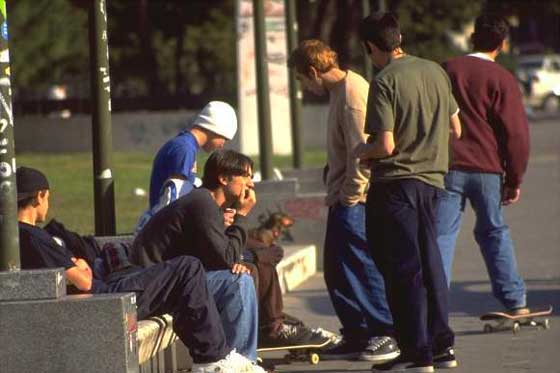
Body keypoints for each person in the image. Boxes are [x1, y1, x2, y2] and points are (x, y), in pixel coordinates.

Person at [15, 166, 265, 373]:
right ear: (40, 196)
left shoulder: (25, 236)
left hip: (103, 290)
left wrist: (79, 266)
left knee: (187, 274)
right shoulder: (33, 236)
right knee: (188, 268)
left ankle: (215, 356)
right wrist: (81, 266)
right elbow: (83, 281)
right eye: (47, 198)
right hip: (105, 296)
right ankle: (212, 360)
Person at [355, 13, 461, 372]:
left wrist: (361, 152)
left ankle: (417, 352)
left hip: (396, 187)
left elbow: (385, 145)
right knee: (431, 265)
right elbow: (455, 127)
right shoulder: (435, 71)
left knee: (403, 270)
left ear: (371, 47)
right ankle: (442, 345)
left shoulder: (383, 81)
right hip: (433, 183)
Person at [287, 39, 397, 362]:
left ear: (312, 71)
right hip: (340, 195)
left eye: (302, 79)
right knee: (336, 271)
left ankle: (385, 331)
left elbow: (362, 153)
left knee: (362, 266)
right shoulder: (338, 92)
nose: (304, 87)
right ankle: (357, 332)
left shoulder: (351, 94)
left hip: (354, 199)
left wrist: (350, 198)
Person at [437, 14, 530, 314]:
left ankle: (433, 304)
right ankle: (514, 301)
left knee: (441, 234)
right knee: (494, 231)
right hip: (488, 169)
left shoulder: (447, 70)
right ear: (501, 45)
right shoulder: (502, 79)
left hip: (448, 166)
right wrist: (514, 180)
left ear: (473, 38)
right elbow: (515, 135)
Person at [147, 100, 237, 210]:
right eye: (224, 138)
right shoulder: (184, 149)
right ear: (215, 129)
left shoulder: (185, 145)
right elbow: (176, 198)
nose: (222, 145)